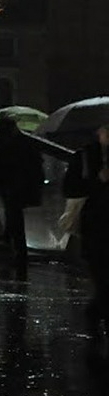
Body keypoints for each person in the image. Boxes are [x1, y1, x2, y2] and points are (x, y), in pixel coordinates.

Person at [0, 114, 45, 272]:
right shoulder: (26, 142)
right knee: (15, 217)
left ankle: (14, 246)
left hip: (7, 187)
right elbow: (36, 165)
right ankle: (15, 247)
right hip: (21, 187)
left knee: (14, 217)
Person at [78, 124, 109, 336]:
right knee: (102, 276)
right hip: (97, 226)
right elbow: (73, 187)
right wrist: (98, 181)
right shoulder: (86, 156)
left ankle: (96, 311)